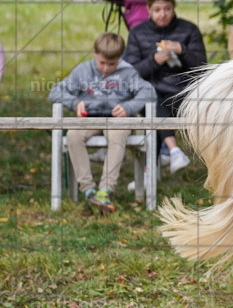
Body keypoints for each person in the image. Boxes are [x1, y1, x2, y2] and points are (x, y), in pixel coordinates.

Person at [48, 32, 156, 214]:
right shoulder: (82, 71)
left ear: (119, 58)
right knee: (73, 136)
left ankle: (106, 190)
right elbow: (55, 92)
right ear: (95, 54)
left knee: (117, 136)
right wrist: (75, 103)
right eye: (102, 63)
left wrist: (128, 107)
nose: (106, 68)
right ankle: (88, 189)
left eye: (112, 64)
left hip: (117, 120)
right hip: (89, 118)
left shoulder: (128, 73)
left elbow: (149, 92)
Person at [123, 0, 206, 174]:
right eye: (157, 10)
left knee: (154, 111)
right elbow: (129, 73)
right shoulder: (138, 33)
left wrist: (182, 51)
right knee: (152, 101)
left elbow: (201, 68)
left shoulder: (189, 30)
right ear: (148, 9)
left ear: (173, 6)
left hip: (182, 93)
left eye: (167, 9)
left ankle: (149, 174)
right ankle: (173, 151)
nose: (163, 14)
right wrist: (153, 61)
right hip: (150, 92)